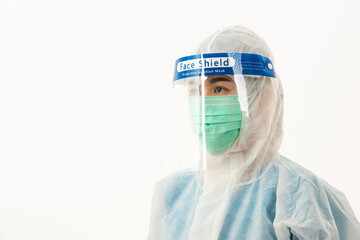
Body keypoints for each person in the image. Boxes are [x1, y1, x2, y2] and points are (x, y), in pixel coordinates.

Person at [147, 25, 360, 240]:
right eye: (195, 90)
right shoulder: (172, 194)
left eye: (219, 88)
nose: (203, 103)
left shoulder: (300, 198)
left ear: (263, 95)